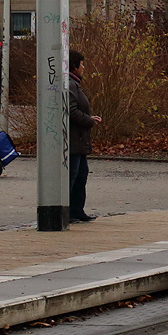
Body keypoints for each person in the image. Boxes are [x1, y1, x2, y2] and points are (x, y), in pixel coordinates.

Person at [68, 50, 103, 223]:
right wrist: (88, 121)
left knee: (81, 174)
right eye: (81, 64)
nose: (84, 67)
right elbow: (71, 111)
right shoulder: (71, 85)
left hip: (79, 140)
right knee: (73, 175)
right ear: (74, 66)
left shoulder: (75, 84)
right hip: (74, 139)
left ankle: (77, 210)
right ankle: (69, 211)